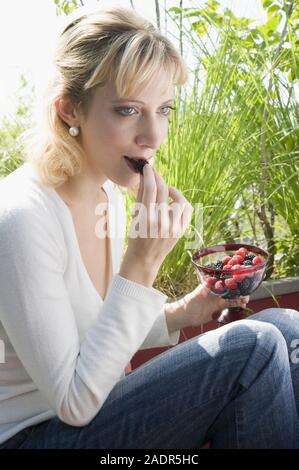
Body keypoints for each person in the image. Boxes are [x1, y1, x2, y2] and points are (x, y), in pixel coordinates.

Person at [0, 5, 298, 449]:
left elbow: (95, 335)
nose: (154, 135)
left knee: (287, 327)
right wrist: (141, 262)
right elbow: (75, 403)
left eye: (163, 109)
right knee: (252, 349)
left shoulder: (109, 196)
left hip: (100, 410)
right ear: (69, 111)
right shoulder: (23, 217)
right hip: (34, 435)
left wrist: (184, 312)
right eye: (127, 111)